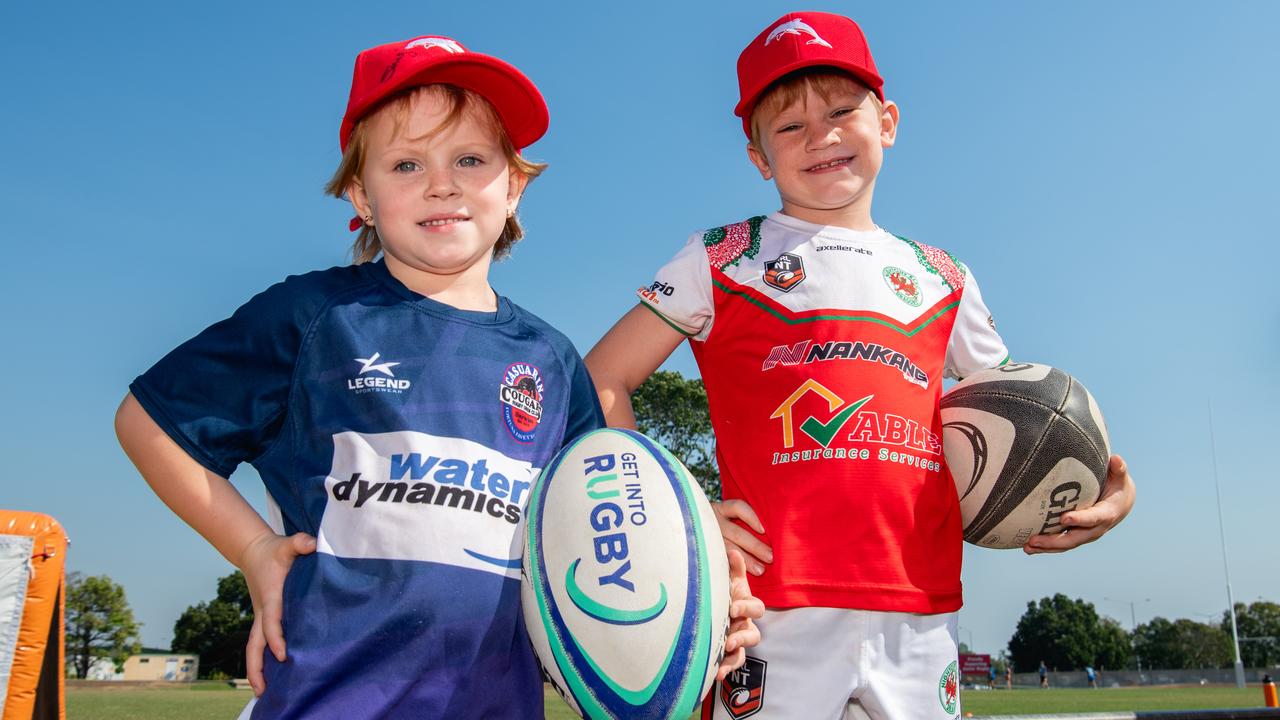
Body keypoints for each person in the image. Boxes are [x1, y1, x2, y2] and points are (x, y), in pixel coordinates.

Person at [115, 34, 761, 719]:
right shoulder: (315, 317)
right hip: (325, 700)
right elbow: (148, 423)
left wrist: (700, 599)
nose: (441, 182)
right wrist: (254, 549)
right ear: (361, 194)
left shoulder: (549, 359)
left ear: (512, 186)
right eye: (405, 163)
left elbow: (599, 540)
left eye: (470, 159)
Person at [585, 11, 1136, 720]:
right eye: (788, 126)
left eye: (843, 110)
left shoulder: (945, 277)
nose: (820, 135)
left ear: (889, 122)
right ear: (758, 156)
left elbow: (1024, 423)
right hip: (767, 608)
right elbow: (602, 378)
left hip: (920, 610)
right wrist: (680, 517)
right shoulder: (721, 256)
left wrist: (1104, 494)